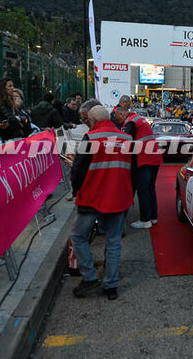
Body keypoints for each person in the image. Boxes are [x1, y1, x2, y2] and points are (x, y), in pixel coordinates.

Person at [70, 105, 133, 299]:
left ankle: (89, 278)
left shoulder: (91, 137)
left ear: (93, 120)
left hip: (92, 197)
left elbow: (78, 169)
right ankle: (111, 285)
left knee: (78, 235)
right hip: (118, 197)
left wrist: (76, 191)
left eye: (88, 120)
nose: (87, 124)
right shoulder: (127, 139)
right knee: (113, 241)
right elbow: (133, 169)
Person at [115, 107, 163, 229]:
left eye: (118, 118)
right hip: (154, 157)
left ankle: (145, 219)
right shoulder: (138, 119)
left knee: (143, 190)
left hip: (144, 159)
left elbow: (125, 141)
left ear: (122, 114)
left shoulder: (130, 122)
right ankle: (153, 217)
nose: (118, 121)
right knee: (150, 188)